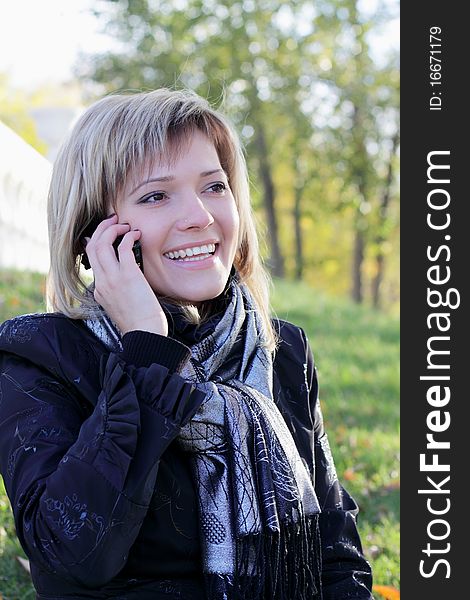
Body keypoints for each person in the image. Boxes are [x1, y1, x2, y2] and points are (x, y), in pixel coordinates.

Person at [0, 89, 373, 600]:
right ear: (93, 234)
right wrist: (145, 354)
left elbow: (335, 556)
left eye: (214, 187)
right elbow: (73, 553)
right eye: (156, 196)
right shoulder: (40, 355)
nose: (200, 216)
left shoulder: (278, 350)